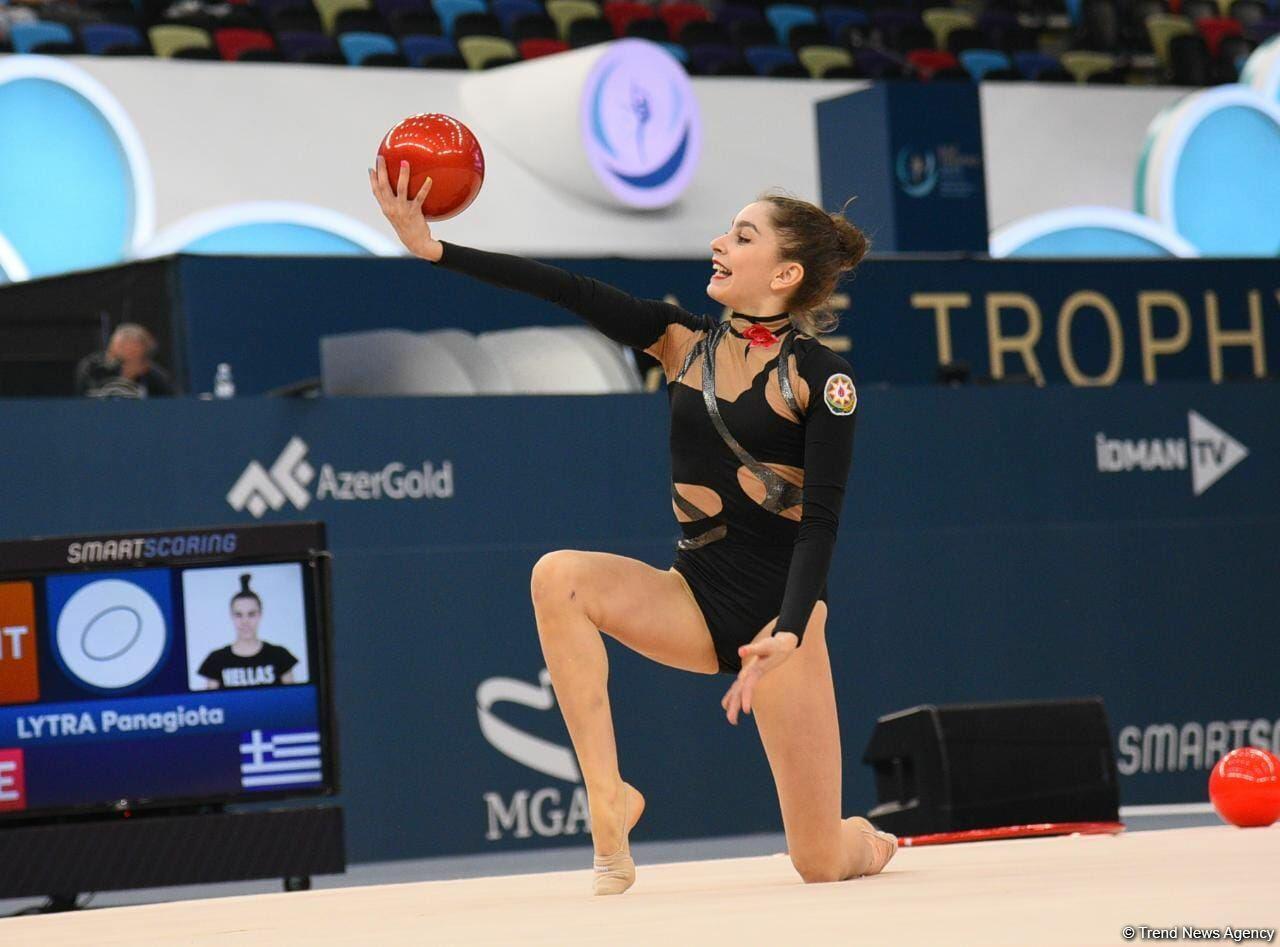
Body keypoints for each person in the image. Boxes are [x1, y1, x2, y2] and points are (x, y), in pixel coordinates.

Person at [370, 157, 895, 895]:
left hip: (780, 623)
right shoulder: (681, 340)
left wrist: (789, 630)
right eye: (727, 231)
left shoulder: (822, 379)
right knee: (559, 577)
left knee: (819, 861)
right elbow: (566, 288)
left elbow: (821, 523)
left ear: (785, 274)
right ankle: (609, 799)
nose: (719, 243)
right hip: (693, 597)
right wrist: (436, 251)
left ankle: (869, 839)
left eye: (742, 236)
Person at [197, 574, 299, 689]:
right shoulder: (216, 659)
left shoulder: (280, 655)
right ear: (231, 616)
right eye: (238, 615)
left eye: (251, 614)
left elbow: (293, 695)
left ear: (260, 615)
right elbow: (210, 698)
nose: (245, 621)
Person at [75, 323, 175, 399]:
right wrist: (125, 377)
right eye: (121, 359)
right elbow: (90, 402)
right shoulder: (92, 367)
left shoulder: (153, 375)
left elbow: (172, 403)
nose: (130, 363)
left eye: (137, 357)